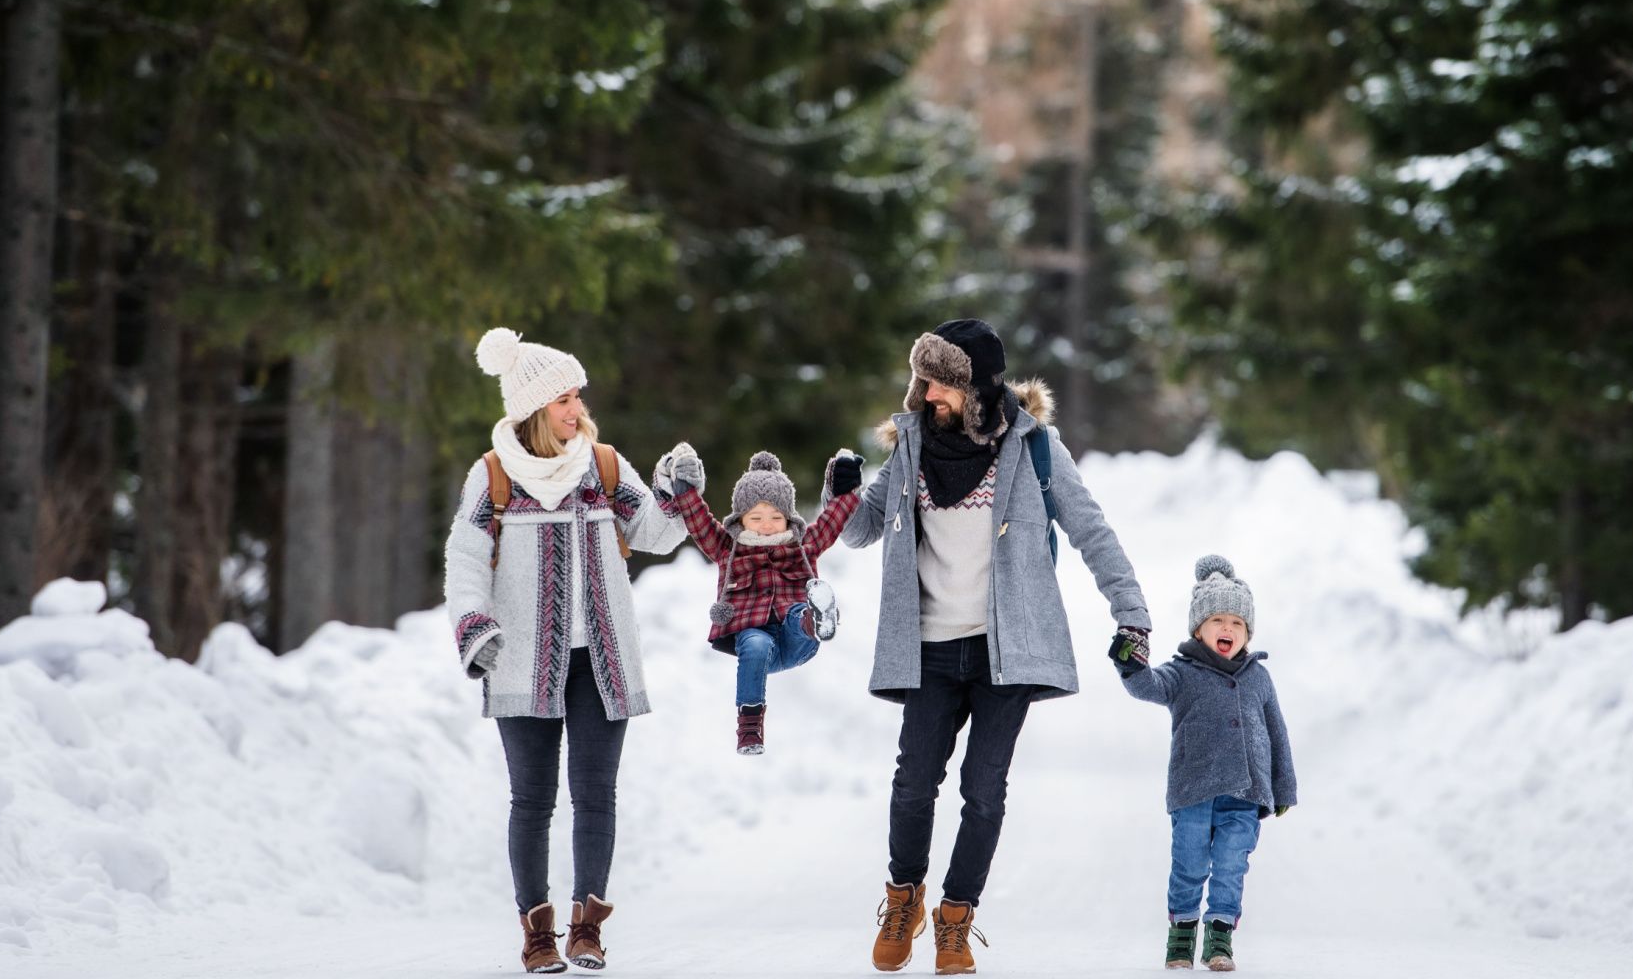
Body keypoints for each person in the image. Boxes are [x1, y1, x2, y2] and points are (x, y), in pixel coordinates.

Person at [841, 318, 1154, 974]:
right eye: (923, 382)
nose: (927, 397)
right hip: (926, 646)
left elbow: (1093, 533)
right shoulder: (909, 446)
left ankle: (956, 920)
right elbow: (860, 530)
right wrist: (839, 492)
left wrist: (1132, 613)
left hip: (1004, 651)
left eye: (941, 385)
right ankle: (904, 898)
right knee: (912, 784)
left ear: (977, 387)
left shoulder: (1035, 448)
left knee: (984, 791)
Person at [443, 327, 688, 973]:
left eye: (577, 397)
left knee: (596, 795)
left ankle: (586, 929)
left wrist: (678, 489)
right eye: (563, 400)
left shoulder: (602, 467)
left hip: (599, 662)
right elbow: (466, 559)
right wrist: (474, 627)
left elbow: (656, 533)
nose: (575, 409)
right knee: (531, 800)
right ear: (532, 408)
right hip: (521, 661)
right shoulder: (493, 477)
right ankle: (537, 935)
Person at [1114, 555, 1298, 972]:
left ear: (1248, 632)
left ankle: (1219, 940)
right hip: (1193, 790)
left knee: (1232, 865)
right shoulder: (1182, 673)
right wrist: (1129, 663)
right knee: (1189, 865)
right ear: (1198, 629)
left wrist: (1283, 787)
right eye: (1217, 621)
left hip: (1246, 793)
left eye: (1237, 623)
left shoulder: (1258, 677)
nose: (1227, 629)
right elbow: (1148, 686)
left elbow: (1277, 733)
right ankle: (1180, 936)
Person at [653, 445, 866, 753]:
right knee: (755, 642)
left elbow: (832, 521)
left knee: (797, 614)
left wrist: (847, 487)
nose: (767, 526)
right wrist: (684, 487)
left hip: (797, 642)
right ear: (741, 520)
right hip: (755, 646)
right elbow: (698, 521)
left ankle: (815, 620)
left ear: (788, 518)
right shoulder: (728, 548)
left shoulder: (801, 547)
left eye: (776, 517)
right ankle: (750, 729)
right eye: (757, 517)